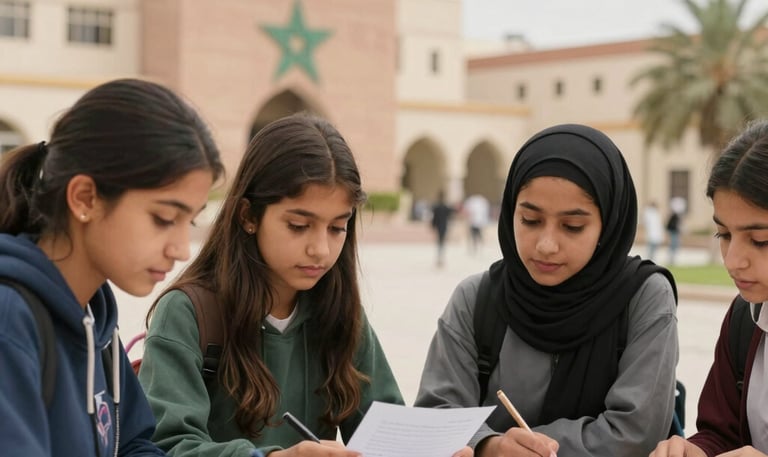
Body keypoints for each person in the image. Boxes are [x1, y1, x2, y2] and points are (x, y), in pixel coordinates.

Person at [138, 113, 404, 457]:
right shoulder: (188, 313)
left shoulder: (342, 315)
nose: (320, 250)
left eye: (337, 228)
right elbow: (166, 446)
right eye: (298, 225)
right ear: (248, 216)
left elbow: (386, 432)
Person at [415, 124, 679, 457]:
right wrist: (490, 446)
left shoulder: (642, 298)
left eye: (572, 226)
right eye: (530, 220)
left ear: (609, 225)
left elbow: (635, 433)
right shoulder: (477, 298)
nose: (546, 245)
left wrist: (520, 447)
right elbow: (435, 415)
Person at [0, 78, 224, 456]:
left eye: (190, 221)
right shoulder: (11, 322)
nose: (182, 249)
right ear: (85, 198)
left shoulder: (95, 319)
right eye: (164, 218)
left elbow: (134, 445)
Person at [650, 120, 768, 457]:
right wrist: (695, 451)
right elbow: (722, 433)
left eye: (760, 240)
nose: (733, 261)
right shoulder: (746, 317)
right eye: (724, 235)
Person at [431, 190, 454, 267]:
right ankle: (440, 258)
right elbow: (450, 216)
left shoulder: (437, 207)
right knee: (442, 242)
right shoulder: (445, 207)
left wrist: (433, 226)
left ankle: (440, 258)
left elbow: (434, 218)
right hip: (443, 226)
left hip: (439, 226)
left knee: (440, 242)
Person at [666, 198, 685, 265]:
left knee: (675, 245)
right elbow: (670, 225)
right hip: (673, 232)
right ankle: (671, 259)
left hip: (675, 233)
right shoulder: (674, 216)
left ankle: (672, 259)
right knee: (673, 245)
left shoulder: (676, 216)